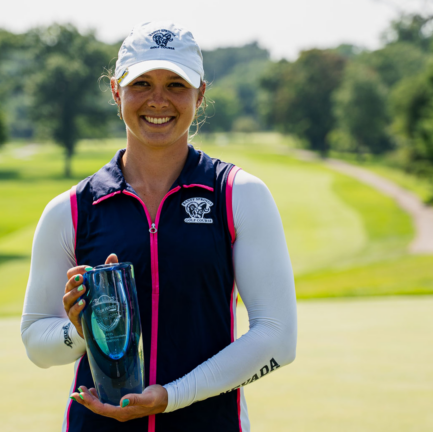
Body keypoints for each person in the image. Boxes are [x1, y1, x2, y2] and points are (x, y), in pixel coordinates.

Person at [21, 21, 297, 432]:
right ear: (116, 90)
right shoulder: (71, 210)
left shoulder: (239, 195)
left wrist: (170, 397)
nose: (158, 100)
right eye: (142, 83)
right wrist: (81, 332)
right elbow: (37, 343)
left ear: (200, 94)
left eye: (176, 85)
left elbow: (277, 338)